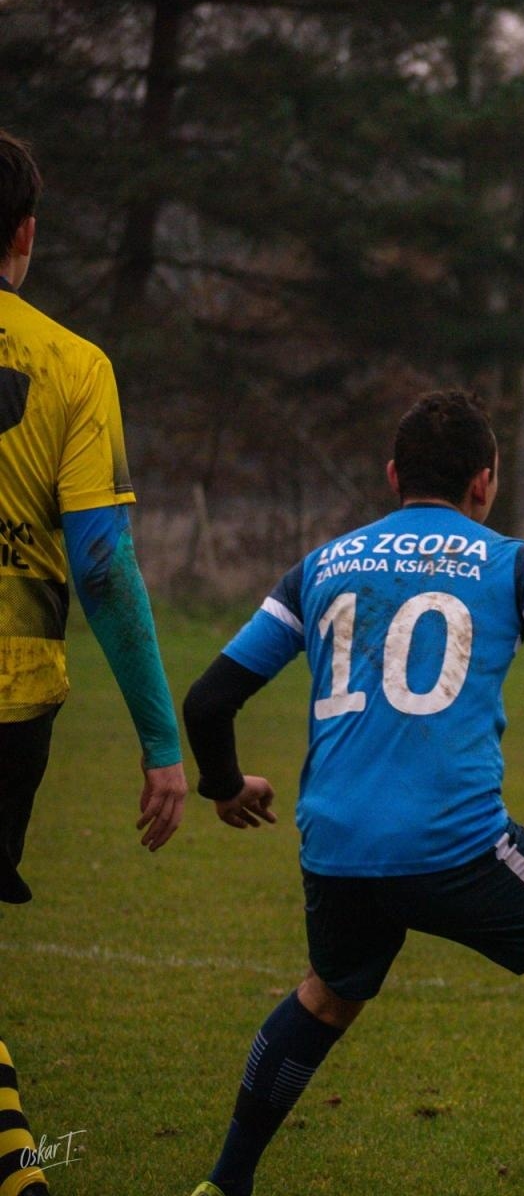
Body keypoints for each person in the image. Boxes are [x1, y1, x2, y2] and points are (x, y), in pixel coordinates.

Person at [182, 390, 524, 1196]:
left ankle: (225, 1183)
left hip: (334, 843)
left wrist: (227, 785)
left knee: (330, 994)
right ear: (485, 483)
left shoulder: (322, 565)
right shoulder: (509, 563)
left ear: (392, 476)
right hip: (454, 842)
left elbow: (208, 701)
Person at [0, 128, 187, 1196]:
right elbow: (105, 568)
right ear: (24, 236)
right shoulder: (74, 366)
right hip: (13, 700)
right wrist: (162, 742)